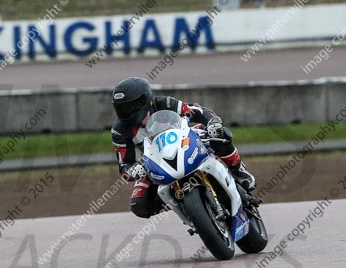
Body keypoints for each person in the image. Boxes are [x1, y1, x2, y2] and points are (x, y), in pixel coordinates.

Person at [110, 76, 258, 219]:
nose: (125, 113)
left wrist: (213, 122)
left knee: (220, 135)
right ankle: (187, 208)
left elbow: (198, 111)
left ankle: (239, 171)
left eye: (128, 107)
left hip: (186, 141)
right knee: (139, 205)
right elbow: (124, 166)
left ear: (144, 100)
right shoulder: (119, 131)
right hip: (157, 162)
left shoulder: (164, 103)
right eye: (120, 108)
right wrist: (134, 171)